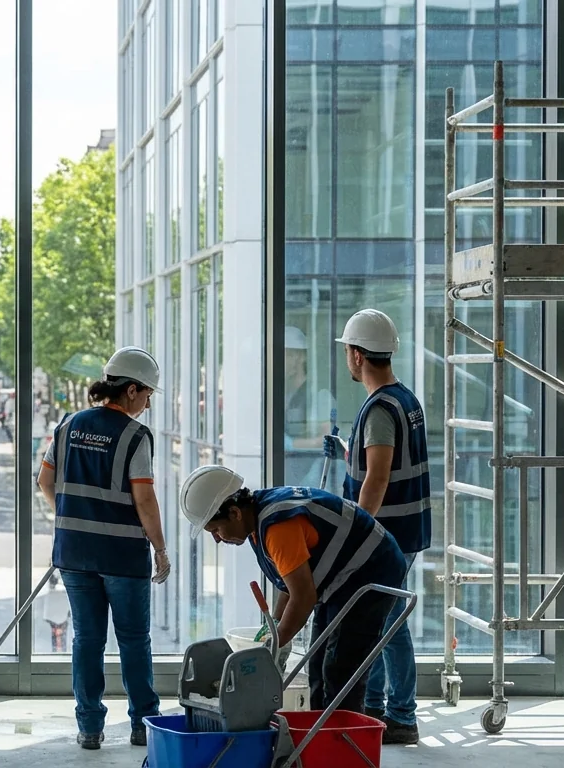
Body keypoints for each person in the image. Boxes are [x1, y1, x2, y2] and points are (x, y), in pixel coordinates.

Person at [181, 465, 406, 719]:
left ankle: (345, 743)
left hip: (370, 570)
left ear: (234, 513)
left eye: (215, 530)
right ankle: (321, 738)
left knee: (340, 669)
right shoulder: (258, 520)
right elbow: (290, 583)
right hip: (342, 577)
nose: (217, 539)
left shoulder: (278, 527)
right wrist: (276, 629)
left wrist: (275, 647)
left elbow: (303, 597)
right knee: (318, 663)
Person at [36, 346, 169, 751]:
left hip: (74, 554)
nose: (147, 403)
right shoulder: (135, 436)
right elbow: (144, 500)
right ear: (130, 390)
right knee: (133, 640)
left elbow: (44, 482)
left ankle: (89, 727)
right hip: (123, 557)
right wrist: (161, 551)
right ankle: (143, 723)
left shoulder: (69, 424)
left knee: (87, 640)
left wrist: (71, 520)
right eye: (147, 394)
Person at [323, 308, 431, 745]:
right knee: (387, 619)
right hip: (406, 527)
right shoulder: (404, 398)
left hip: (388, 534)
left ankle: (401, 715)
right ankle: (380, 708)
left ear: (356, 355)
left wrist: (357, 531)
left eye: (347, 352)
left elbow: (379, 475)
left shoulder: (379, 407)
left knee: (389, 624)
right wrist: (350, 453)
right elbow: (379, 462)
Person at [284, 326, 336, 487]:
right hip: (290, 477)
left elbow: (327, 440)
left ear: (300, 357)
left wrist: (291, 444)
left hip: (312, 480)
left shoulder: (319, 394)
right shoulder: (285, 395)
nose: (281, 360)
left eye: (287, 355)